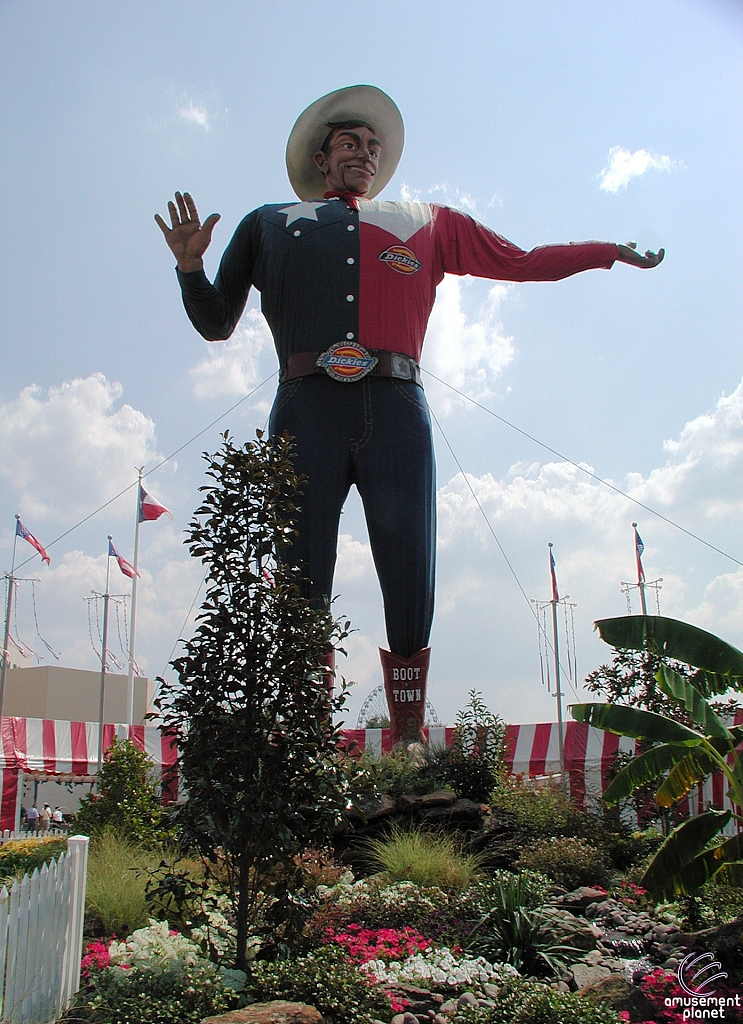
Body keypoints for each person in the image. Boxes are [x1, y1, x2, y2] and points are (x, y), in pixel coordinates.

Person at [157, 85, 663, 746]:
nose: (364, 155)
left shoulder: (426, 220)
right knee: (300, 566)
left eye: (373, 147)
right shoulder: (267, 224)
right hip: (305, 405)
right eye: (349, 144)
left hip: (396, 404)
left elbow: (522, 262)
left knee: (410, 560)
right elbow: (215, 323)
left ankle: (407, 735)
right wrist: (191, 266)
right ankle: (309, 736)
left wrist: (606, 251)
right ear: (321, 155)